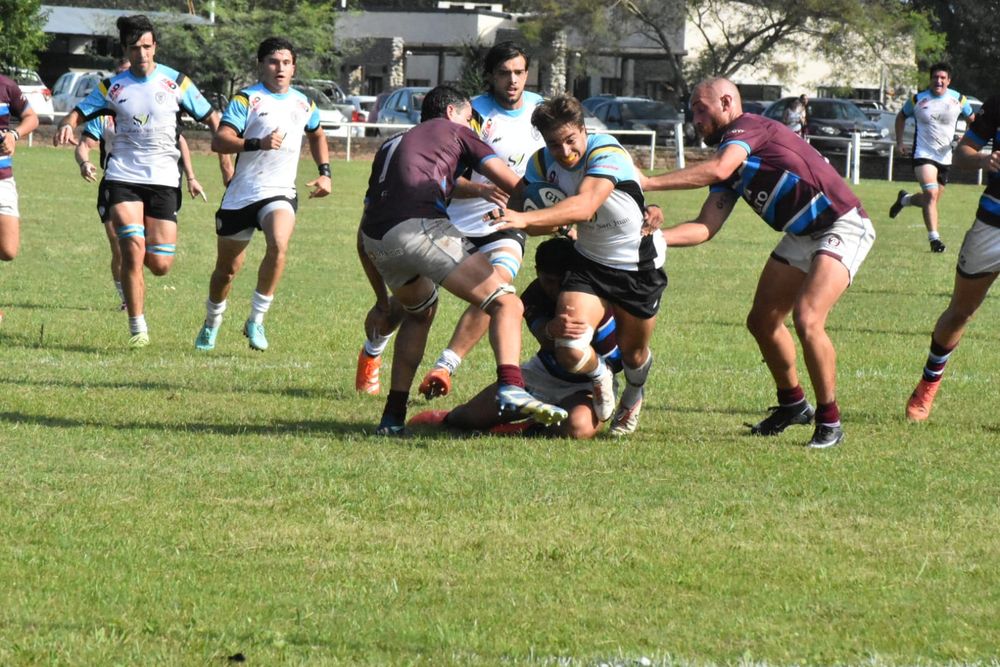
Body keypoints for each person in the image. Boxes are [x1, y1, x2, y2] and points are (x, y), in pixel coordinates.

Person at [643, 77, 875, 449]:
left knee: (808, 318)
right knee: (763, 321)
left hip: (841, 223)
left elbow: (719, 169)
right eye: (692, 112)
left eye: (701, 110)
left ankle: (830, 421)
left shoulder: (747, 127)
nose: (695, 119)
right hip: (802, 233)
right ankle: (793, 405)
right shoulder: (731, 158)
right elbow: (705, 227)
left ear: (726, 102)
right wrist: (652, 238)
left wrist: (648, 182)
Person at [358, 84, 568, 436]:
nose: (474, 125)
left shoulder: (392, 144)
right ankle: (511, 386)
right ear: (452, 112)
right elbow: (516, 186)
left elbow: (374, 213)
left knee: (419, 313)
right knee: (507, 303)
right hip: (419, 226)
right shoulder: (457, 130)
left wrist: (381, 298)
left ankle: (392, 417)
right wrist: (561, 215)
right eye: (470, 117)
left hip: (376, 238)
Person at [488, 95, 666, 436]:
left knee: (634, 354)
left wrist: (524, 219)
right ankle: (600, 374)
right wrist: (514, 216)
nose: (565, 151)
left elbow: (585, 206)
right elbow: (531, 214)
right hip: (589, 262)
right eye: (555, 144)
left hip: (637, 265)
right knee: (569, 347)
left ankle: (633, 393)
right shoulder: (541, 165)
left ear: (584, 129)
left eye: (571, 140)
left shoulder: (607, 151)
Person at [54, 15, 224, 348]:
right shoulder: (112, 87)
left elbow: (212, 118)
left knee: (160, 264)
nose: (142, 53)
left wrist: (225, 153)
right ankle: (138, 329)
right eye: (135, 48)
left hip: (164, 179)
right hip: (123, 176)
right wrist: (67, 123)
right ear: (126, 50)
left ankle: (144, 267)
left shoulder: (177, 82)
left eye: (147, 46)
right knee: (132, 248)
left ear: (155, 46)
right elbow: (79, 112)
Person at [194, 37, 331, 352]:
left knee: (279, 245)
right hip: (242, 194)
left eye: (286, 62)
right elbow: (220, 141)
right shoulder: (247, 99)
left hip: (280, 192)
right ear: (261, 65)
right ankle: (212, 322)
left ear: (294, 67)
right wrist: (257, 143)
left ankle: (256, 320)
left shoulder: (304, 103)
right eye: (273, 61)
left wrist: (325, 173)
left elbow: (317, 134)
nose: (280, 68)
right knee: (227, 271)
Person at [409, 236, 623, 438]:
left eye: (562, 281)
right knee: (468, 418)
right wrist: (551, 329)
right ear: (537, 272)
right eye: (549, 281)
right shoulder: (533, 294)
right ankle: (448, 417)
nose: (555, 289)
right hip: (543, 374)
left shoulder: (587, 294)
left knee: (578, 426)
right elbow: (544, 338)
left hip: (588, 385)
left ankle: (525, 426)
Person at [75, 64, 206, 311]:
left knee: (144, 252)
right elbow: (84, 145)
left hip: (156, 181)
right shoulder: (103, 115)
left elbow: (180, 141)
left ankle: (134, 285)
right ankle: (128, 300)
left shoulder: (157, 109)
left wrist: (191, 176)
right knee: (119, 246)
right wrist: (84, 163)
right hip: (117, 182)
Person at [905, 95, 1000, 421]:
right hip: (993, 223)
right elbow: (962, 154)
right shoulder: (998, 103)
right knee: (960, 311)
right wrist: (985, 160)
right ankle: (927, 385)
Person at [889, 62, 976, 253]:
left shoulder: (959, 99)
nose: (939, 81)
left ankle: (905, 200)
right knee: (931, 194)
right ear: (930, 80)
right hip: (922, 153)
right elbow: (901, 117)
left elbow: (972, 120)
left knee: (931, 200)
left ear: (949, 81)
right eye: (935, 77)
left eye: (943, 78)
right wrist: (900, 142)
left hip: (945, 156)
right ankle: (934, 239)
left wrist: (966, 139)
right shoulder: (917, 100)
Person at [0, 70, 41, 323]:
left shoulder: (6, 86)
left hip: (2, 176)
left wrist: (13, 135)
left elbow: (31, 117)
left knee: (8, 250)